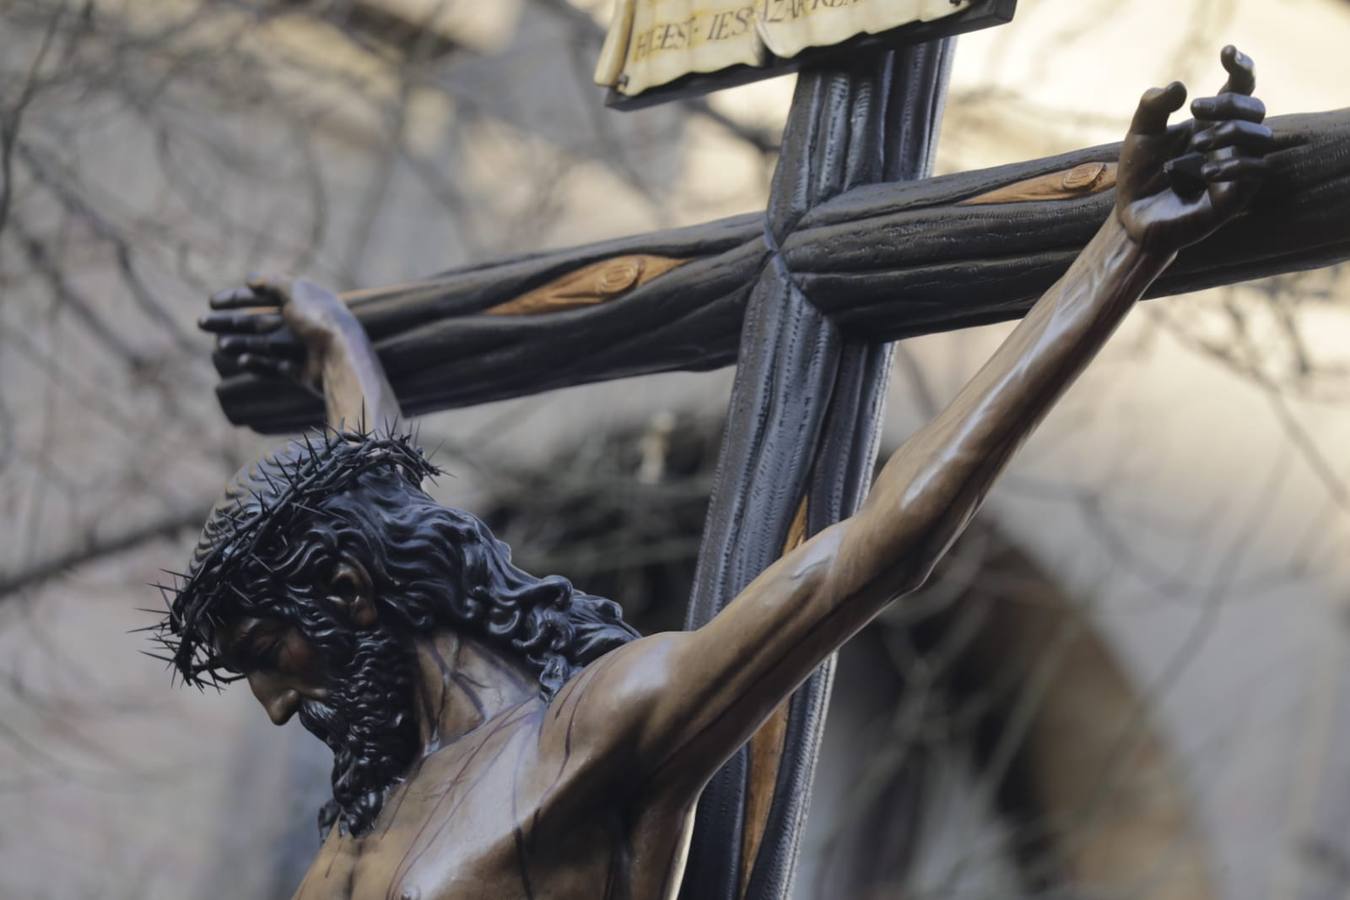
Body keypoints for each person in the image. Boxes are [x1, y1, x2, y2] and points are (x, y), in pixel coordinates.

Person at [169, 47, 1270, 900]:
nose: (276, 705)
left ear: (355, 596)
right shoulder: (389, 776)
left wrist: (1122, 250)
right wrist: (335, 346)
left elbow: (879, 545)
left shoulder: (593, 739)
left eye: (270, 655)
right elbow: (375, 489)